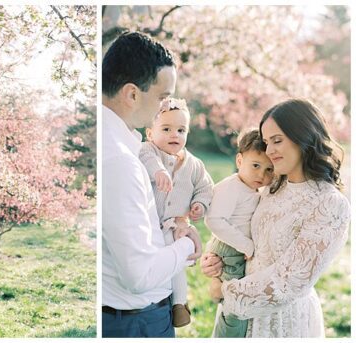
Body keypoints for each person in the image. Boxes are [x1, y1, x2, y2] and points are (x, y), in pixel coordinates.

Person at [201, 99, 349, 337]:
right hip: (238, 313)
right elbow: (243, 228)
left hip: (282, 321)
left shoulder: (329, 204)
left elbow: (290, 281)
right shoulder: (271, 185)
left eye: (277, 141)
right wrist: (216, 258)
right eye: (267, 142)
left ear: (303, 136)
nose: (269, 151)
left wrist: (225, 291)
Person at [101, 31, 201, 338]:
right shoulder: (119, 161)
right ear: (132, 94)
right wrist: (189, 243)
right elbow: (139, 276)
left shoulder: (121, 146)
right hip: (135, 322)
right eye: (161, 97)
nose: (165, 105)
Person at [137, 98, 213, 326]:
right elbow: (145, 157)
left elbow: (205, 187)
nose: (175, 135)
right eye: (166, 129)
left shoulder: (194, 164)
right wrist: (158, 170)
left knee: (177, 264)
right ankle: (152, 297)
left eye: (181, 130)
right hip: (149, 223)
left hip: (174, 224)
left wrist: (200, 203)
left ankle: (179, 304)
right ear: (150, 133)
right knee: (153, 262)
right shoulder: (148, 150)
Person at [203, 129, 274, 337]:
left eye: (270, 169)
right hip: (230, 250)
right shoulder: (231, 187)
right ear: (239, 160)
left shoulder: (250, 188)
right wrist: (247, 245)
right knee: (235, 306)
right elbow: (214, 220)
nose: (262, 175)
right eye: (256, 166)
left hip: (236, 248)